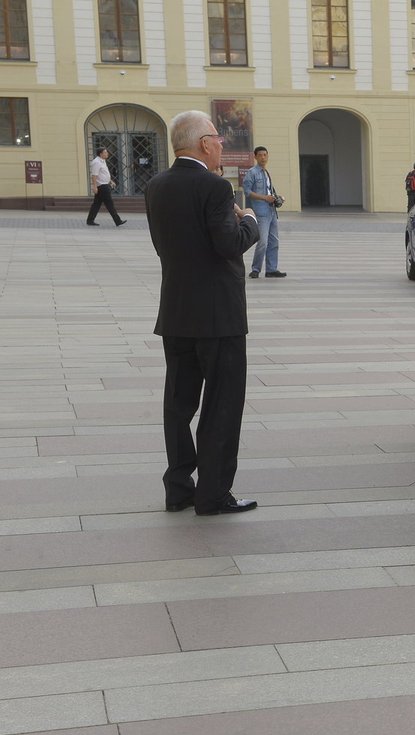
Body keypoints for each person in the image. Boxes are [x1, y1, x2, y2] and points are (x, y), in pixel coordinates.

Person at [145, 110, 260, 516]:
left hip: (176, 313)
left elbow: (165, 246)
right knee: (222, 405)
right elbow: (228, 245)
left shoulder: (156, 185)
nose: (223, 145)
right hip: (219, 317)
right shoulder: (215, 187)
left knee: (178, 405)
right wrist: (249, 222)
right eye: (218, 138)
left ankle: (178, 488)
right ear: (203, 143)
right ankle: (212, 494)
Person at [242, 146, 286, 278]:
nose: (263, 157)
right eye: (260, 155)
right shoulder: (252, 172)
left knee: (274, 241)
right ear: (255, 157)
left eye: (265, 155)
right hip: (261, 212)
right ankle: (256, 269)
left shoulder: (266, 172)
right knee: (263, 242)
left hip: (271, 210)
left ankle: (271, 269)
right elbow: (247, 192)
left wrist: (275, 198)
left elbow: (268, 191)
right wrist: (264, 198)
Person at [86, 147, 126, 227]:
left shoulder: (102, 161)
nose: (107, 154)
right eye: (105, 152)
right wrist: (94, 186)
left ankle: (90, 220)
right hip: (102, 186)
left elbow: (104, 173)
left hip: (104, 185)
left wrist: (110, 181)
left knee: (96, 204)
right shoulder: (96, 162)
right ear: (101, 154)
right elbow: (94, 175)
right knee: (109, 204)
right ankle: (117, 221)